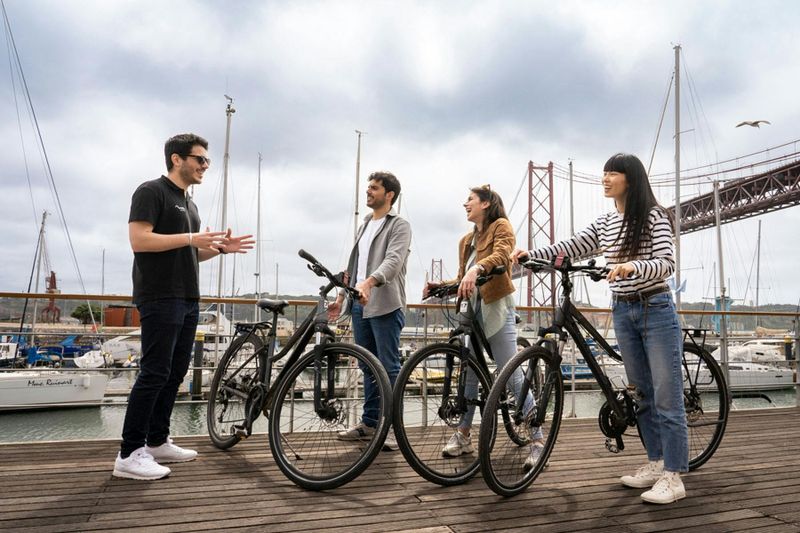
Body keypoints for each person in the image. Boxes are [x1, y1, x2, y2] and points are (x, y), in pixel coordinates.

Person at [512, 153, 688, 504]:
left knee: (667, 398)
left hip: (655, 307)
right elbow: (573, 246)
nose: (605, 179)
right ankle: (656, 462)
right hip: (623, 310)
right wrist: (533, 254)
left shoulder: (656, 216)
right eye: (604, 173)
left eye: (614, 173)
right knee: (641, 394)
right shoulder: (606, 221)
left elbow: (666, 263)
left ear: (631, 179)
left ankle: (675, 476)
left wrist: (632, 266)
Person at [113, 133, 254, 480]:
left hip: (188, 297)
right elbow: (139, 240)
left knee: (174, 374)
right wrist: (192, 238)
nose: (205, 166)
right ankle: (129, 453)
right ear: (177, 159)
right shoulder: (151, 191)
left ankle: (157, 441)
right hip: (160, 295)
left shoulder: (189, 204)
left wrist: (219, 248)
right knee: (154, 373)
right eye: (200, 159)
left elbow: (189, 251)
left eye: (207, 160)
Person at [425, 185, 543, 467]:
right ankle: (464, 435)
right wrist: (438, 287)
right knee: (470, 373)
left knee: (509, 373)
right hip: (470, 313)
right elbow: (461, 278)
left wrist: (477, 268)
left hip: (495, 308)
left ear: (486, 204)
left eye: (470, 200)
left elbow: (502, 256)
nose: (465, 203)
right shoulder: (465, 241)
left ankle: (538, 438)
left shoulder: (501, 226)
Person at [329, 171, 412, 451]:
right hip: (358, 306)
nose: (368, 192)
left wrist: (369, 282)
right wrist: (342, 297)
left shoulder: (399, 225)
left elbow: (393, 261)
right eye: (368, 187)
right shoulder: (364, 224)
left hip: (385, 304)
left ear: (389, 195)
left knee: (388, 369)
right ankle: (369, 423)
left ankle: (391, 429)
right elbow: (353, 267)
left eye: (374, 188)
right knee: (367, 366)